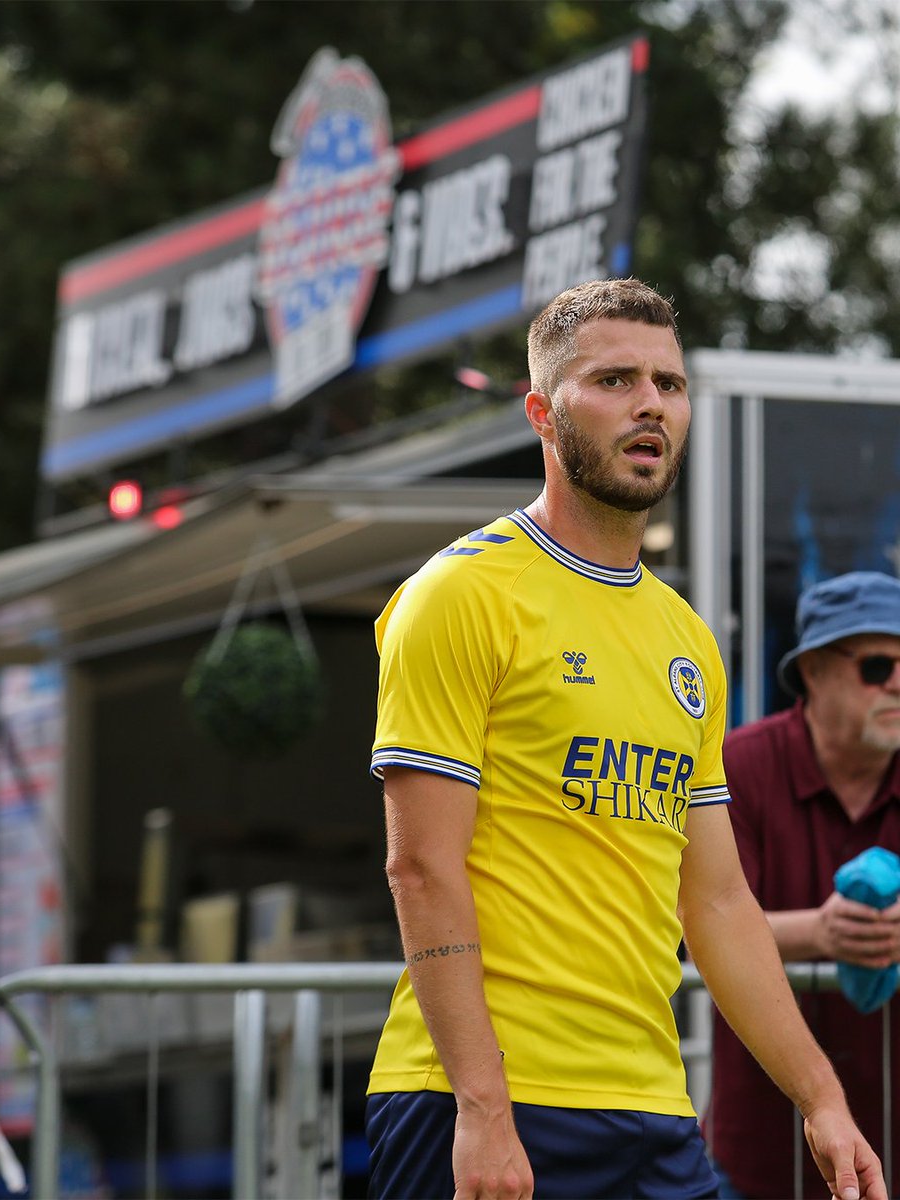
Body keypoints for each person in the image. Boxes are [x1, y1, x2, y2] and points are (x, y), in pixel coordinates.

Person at [364, 277, 886, 1200]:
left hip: (650, 1106)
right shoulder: (459, 595)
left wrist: (821, 1098)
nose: (650, 404)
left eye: (668, 384)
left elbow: (716, 900)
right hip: (481, 1102)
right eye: (614, 380)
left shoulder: (686, 637)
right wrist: (483, 1108)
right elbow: (421, 869)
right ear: (542, 413)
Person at [706, 570, 900, 1200]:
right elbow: (696, 919)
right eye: (877, 666)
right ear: (813, 672)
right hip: (761, 1151)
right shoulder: (739, 765)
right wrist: (822, 932)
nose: (898, 682)